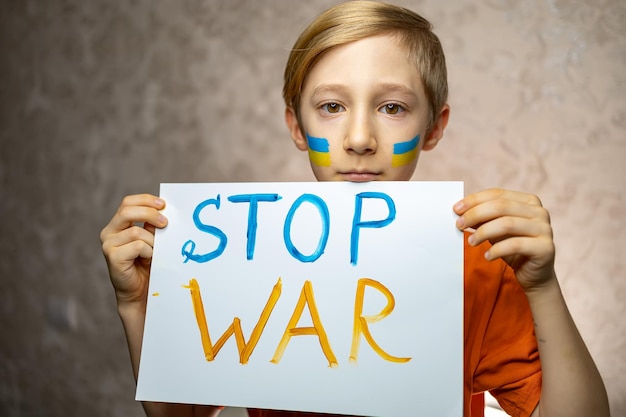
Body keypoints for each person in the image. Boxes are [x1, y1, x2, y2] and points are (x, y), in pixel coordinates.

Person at [100, 2, 610, 417]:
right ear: (298, 128)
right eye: (331, 107)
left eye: (392, 107)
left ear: (433, 128)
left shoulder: (480, 264)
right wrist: (137, 307)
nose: (360, 138)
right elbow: (179, 416)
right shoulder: (240, 255)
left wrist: (542, 286)